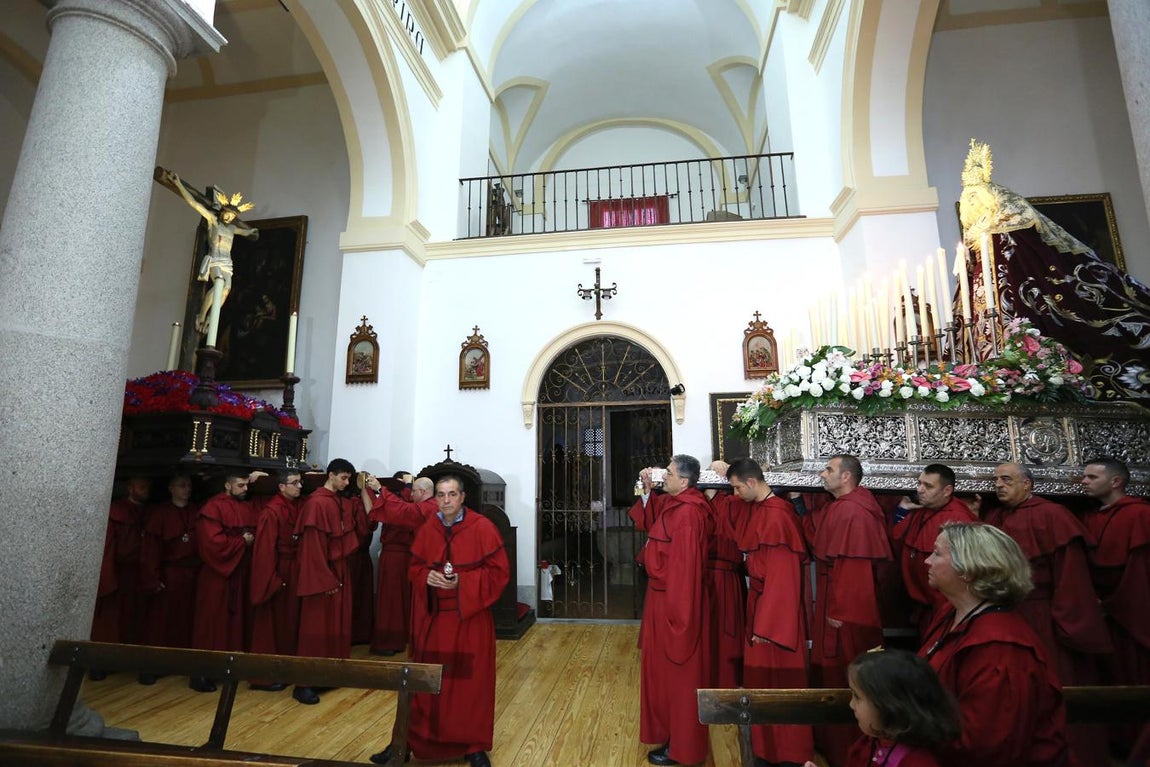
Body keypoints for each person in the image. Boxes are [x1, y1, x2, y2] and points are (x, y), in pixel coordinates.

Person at [370, 475, 509, 767]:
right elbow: (414, 568)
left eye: (452, 494)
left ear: (462, 497)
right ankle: (405, 743)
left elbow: (499, 573)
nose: (446, 500)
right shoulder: (428, 528)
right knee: (423, 682)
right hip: (433, 620)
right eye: (442, 495)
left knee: (470, 685)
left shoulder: (482, 527)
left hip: (469, 621)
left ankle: (473, 747)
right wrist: (426, 576)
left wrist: (463, 582)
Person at [984, 462, 1111, 767]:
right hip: (1006, 614)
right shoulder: (995, 518)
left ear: (1027, 484)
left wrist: (1069, 624)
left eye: (1006, 479)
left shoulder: (1054, 516)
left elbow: (1071, 578)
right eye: (996, 480)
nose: (998, 485)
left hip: (1044, 617)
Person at [921, 522, 1071, 766]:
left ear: (968, 569)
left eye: (936, 553)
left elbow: (985, 744)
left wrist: (904, 723)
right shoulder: (951, 613)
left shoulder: (999, 648)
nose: (927, 561)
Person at [802, 454, 892, 767]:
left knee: (847, 674)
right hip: (835, 597)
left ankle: (848, 754)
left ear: (846, 477)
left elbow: (854, 566)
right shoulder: (844, 506)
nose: (822, 474)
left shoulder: (854, 510)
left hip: (847, 609)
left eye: (829, 469)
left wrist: (840, 610)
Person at [725, 458, 813, 767]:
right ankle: (764, 749)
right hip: (762, 605)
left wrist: (767, 627)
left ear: (751, 482)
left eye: (737, 487)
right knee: (762, 681)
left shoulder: (777, 516)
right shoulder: (762, 508)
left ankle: (787, 754)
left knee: (780, 682)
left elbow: (783, 578)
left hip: (775, 616)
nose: (735, 494)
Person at [634, 455, 714, 767]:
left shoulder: (688, 514)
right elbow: (651, 521)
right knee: (663, 677)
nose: (663, 476)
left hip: (677, 604)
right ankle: (670, 737)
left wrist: (681, 623)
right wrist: (646, 489)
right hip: (662, 600)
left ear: (684, 481)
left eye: (668, 473)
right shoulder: (675, 504)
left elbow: (685, 572)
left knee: (681, 680)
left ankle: (684, 749)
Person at [1079, 457, 1150, 756]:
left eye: (1092, 477)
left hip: (1129, 612)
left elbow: (1140, 572)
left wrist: (1114, 604)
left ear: (1116, 481)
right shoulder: (1092, 517)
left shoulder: (1140, 514)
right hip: (1102, 611)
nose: (1084, 482)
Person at [801, 649, 959, 767]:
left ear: (890, 706)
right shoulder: (866, 745)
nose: (851, 705)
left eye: (857, 697)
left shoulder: (918, 762)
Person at [158, 168, 259, 334]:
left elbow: (247, 232)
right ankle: (201, 315)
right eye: (227, 213)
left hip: (227, 263)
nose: (229, 217)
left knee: (226, 290)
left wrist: (253, 232)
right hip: (215, 260)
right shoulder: (213, 221)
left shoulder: (232, 229)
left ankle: (211, 319)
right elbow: (194, 203)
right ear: (223, 211)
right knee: (219, 283)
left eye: (232, 216)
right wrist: (178, 184)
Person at [293, 458, 359, 705]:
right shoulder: (317, 503)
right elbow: (313, 548)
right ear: (331, 475)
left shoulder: (336, 501)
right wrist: (325, 578)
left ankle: (330, 675)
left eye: (349, 479)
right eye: (343, 478)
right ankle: (305, 683)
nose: (347, 483)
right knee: (315, 628)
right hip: (322, 574)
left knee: (336, 625)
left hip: (339, 570)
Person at [190, 470, 258, 692]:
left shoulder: (246, 506)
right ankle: (203, 673)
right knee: (212, 624)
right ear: (227, 485)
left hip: (239, 572)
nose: (245, 489)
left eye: (247, 485)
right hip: (217, 575)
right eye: (241, 485)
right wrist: (241, 542)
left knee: (235, 623)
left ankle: (230, 669)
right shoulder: (212, 508)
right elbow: (212, 543)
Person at [891, 464, 976, 636]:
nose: (920, 490)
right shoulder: (922, 510)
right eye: (919, 483)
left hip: (944, 606)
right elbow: (897, 539)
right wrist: (902, 511)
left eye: (928, 486)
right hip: (922, 606)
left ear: (947, 490)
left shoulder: (959, 519)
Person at [363, 474, 439, 655]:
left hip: (413, 559)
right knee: (399, 600)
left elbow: (404, 511)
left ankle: (394, 641)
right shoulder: (423, 505)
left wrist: (379, 489)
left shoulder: (428, 506)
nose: (411, 494)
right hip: (410, 558)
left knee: (393, 600)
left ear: (422, 491)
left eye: (413, 491)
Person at [138, 475, 201, 681]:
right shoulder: (160, 514)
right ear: (171, 488)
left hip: (191, 575)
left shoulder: (196, 511)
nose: (187, 489)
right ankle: (154, 665)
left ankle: (182, 662)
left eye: (189, 485)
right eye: (182, 485)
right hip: (169, 575)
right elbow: (150, 550)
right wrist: (152, 578)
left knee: (186, 620)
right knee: (160, 621)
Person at [248, 469, 302, 690]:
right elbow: (265, 550)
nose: (299, 487)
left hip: (293, 570)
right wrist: (272, 580)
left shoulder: (296, 506)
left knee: (289, 622)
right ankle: (266, 676)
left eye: (300, 482)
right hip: (278, 572)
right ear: (281, 487)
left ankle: (286, 669)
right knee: (273, 623)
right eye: (295, 483)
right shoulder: (271, 512)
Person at [701, 459, 749, 689]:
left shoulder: (736, 499)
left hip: (729, 576)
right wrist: (708, 493)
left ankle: (729, 683)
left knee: (728, 634)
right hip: (705, 575)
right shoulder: (701, 498)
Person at [91, 476, 150, 660]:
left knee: (137, 618)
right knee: (113, 619)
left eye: (147, 487)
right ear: (130, 488)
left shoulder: (149, 513)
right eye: (142, 486)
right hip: (119, 573)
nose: (146, 491)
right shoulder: (116, 511)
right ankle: (106, 659)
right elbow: (108, 546)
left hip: (140, 573)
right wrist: (107, 578)